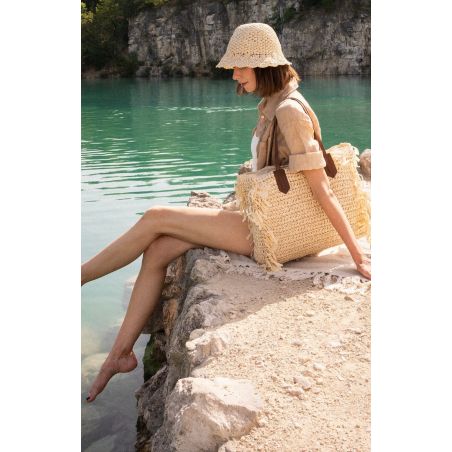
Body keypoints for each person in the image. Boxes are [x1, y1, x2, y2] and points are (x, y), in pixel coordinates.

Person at [82, 23, 371, 403]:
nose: (233, 74)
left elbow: (322, 188)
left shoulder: (289, 110)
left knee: (155, 216)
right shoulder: (273, 103)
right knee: (158, 249)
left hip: (274, 232)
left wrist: (356, 254)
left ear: (262, 65)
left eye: (239, 66)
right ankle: (119, 356)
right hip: (262, 219)